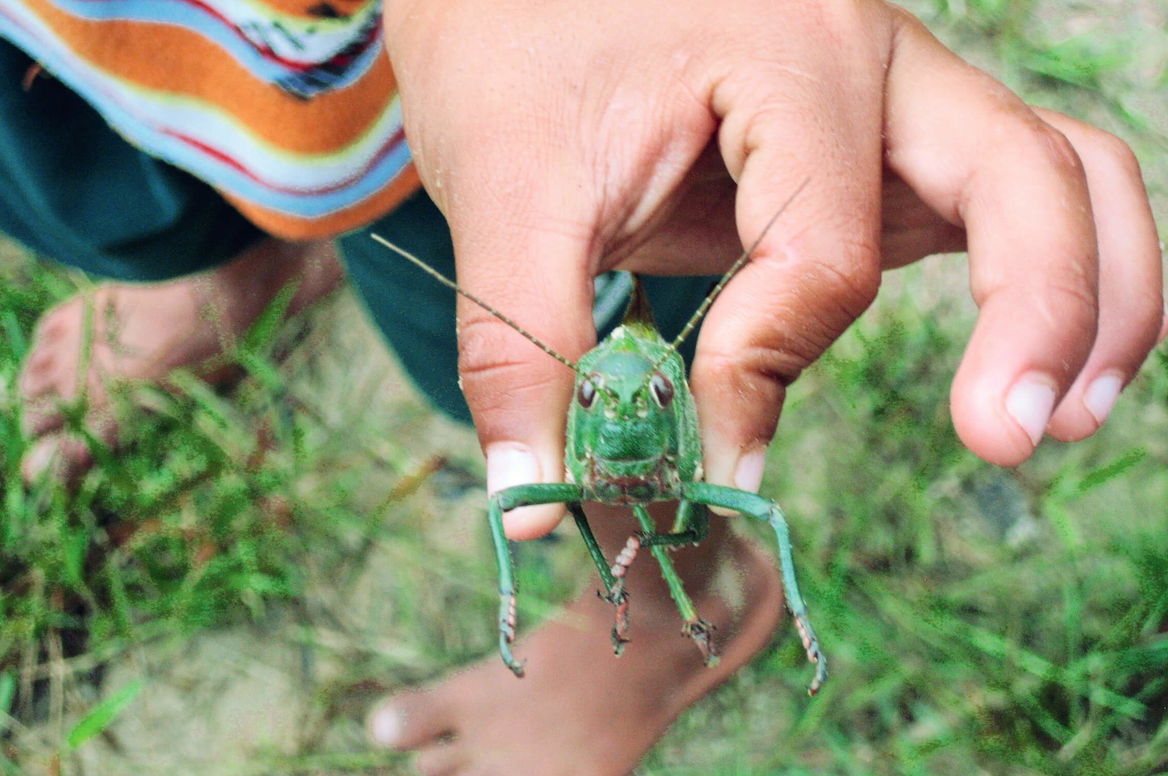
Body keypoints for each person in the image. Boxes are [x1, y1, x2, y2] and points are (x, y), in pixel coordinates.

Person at [2, 1, 1163, 774]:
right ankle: (237, 244)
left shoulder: (618, 384)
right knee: (107, 182)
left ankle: (683, 615)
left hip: (433, 94)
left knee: (542, 397)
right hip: (92, 53)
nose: (610, 414)